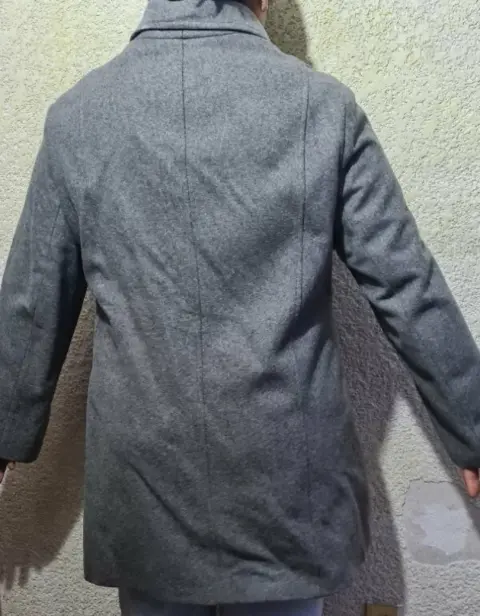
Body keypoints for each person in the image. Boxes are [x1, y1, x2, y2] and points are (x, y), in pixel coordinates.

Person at [0, 0, 479, 614]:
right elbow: (407, 284)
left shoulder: (79, 115)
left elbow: (33, 302)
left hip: (146, 489)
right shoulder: (321, 107)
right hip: (287, 492)